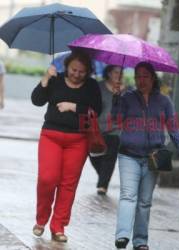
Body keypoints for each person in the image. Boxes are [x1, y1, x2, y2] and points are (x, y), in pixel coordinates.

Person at [113, 62, 179, 250]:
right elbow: (116, 120)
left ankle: (140, 241)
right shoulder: (127, 98)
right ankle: (122, 236)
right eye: (138, 76)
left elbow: (174, 130)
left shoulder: (164, 101)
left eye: (145, 76)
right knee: (128, 196)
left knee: (145, 201)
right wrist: (116, 98)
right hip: (128, 156)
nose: (141, 80)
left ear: (153, 78)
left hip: (153, 158)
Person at [31, 51, 102, 242]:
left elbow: (97, 110)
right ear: (67, 66)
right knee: (47, 178)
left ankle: (58, 226)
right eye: (73, 70)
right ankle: (41, 219)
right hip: (50, 136)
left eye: (81, 71)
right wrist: (46, 78)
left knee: (68, 184)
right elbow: (37, 100)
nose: (77, 74)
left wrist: (74, 107)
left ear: (87, 71)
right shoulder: (56, 79)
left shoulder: (92, 86)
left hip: (78, 140)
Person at [89, 65, 127, 195]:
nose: (119, 75)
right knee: (94, 156)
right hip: (96, 129)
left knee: (110, 157)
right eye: (116, 72)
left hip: (116, 130)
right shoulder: (98, 87)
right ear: (109, 73)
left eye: (121, 72)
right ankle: (103, 176)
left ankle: (103, 185)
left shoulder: (127, 91)